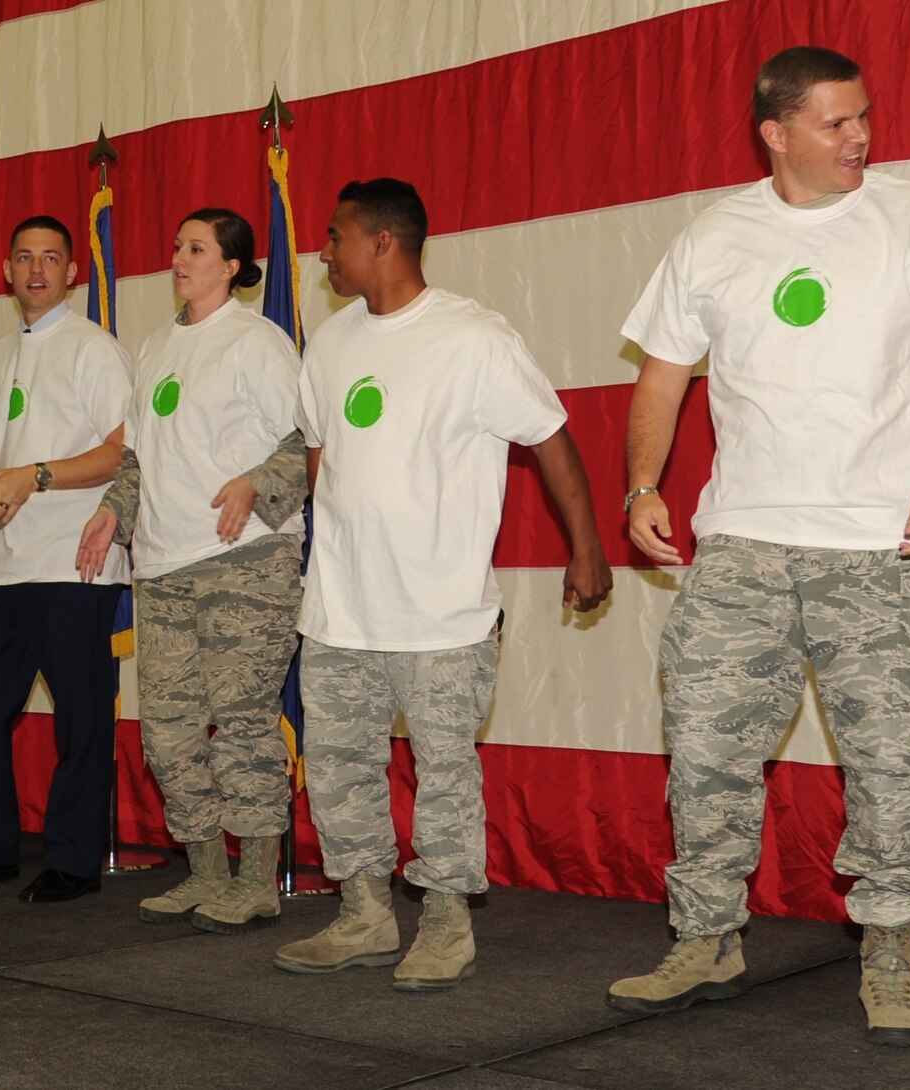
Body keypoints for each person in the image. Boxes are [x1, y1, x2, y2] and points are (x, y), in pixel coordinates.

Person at [605, 47, 910, 1048]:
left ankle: (886, 954)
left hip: (878, 545)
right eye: (833, 124)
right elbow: (660, 379)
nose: (858, 138)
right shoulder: (713, 236)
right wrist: (640, 485)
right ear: (774, 134)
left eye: (862, 118)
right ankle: (704, 936)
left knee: (886, 761)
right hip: (741, 542)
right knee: (703, 749)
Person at [276, 178, 611, 990]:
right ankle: (363, 914)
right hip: (340, 610)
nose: (323, 251)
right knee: (341, 766)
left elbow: (551, 441)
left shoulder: (473, 337)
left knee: (444, 771)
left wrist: (587, 548)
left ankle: (447, 924)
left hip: (443, 612)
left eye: (335, 235)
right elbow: (322, 457)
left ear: (382, 242)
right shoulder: (329, 343)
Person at [76, 208, 307, 931]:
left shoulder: (257, 342)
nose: (179, 256)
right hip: (165, 565)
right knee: (168, 734)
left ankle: (258, 880)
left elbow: (309, 443)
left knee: (242, 726)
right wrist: (114, 508)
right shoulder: (155, 346)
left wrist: (255, 483)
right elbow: (140, 455)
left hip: (246, 560)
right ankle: (208, 873)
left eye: (197, 248)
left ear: (231, 265)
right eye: (176, 244)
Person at [0, 215, 133, 903]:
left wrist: (34, 475)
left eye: (51, 258)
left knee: (80, 719)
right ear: (5, 272)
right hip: (4, 567)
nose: (36, 269)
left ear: (75, 272)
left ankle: (73, 861)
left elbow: (122, 452)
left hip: (75, 563)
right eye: (23, 258)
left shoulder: (94, 348)